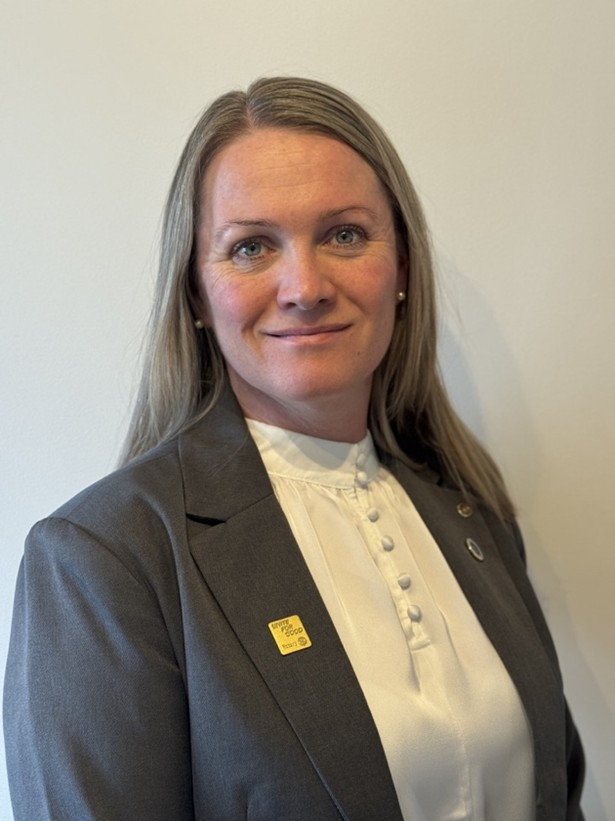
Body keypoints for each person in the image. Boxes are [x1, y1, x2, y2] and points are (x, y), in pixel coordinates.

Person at [4, 76, 584, 820]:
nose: (304, 287)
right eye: (251, 247)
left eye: (344, 235)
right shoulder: (105, 559)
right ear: (195, 295)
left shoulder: (472, 512)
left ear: (403, 266)